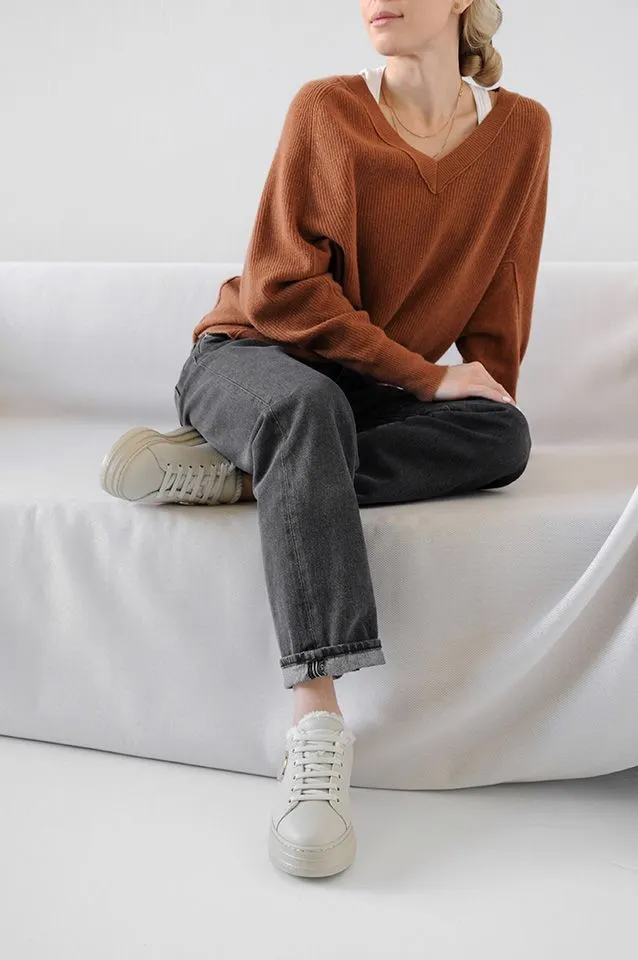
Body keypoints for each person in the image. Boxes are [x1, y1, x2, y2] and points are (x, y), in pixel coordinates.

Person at [99, 0, 551, 879]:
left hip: (363, 391)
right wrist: (425, 378)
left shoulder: (522, 131)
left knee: (505, 438)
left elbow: (506, 281)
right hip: (248, 358)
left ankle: (243, 476)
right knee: (306, 411)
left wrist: (481, 388)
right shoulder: (327, 108)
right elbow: (280, 292)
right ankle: (317, 725)